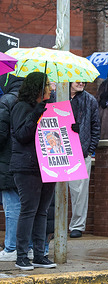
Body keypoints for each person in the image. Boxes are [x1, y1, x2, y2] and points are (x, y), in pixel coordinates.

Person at [10, 72, 56, 270]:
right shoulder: (21, 107)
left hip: (48, 165)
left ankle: (39, 254)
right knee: (29, 211)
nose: (50, 88)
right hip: (27, 167)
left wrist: (72, 129)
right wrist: (36, 114)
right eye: (46, 85)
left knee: (42, 212)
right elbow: (21, 135)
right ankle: (22, 256)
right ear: (37, 88)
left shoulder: (49, 108)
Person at [0, 74, 31, 262]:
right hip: (28, 163)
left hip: (7, 161)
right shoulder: (32, 103)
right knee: (28, 208)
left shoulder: (6, 101)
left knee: (12, 208)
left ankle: (11, 247)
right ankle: (27, 247)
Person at [68, 82, 100, 238]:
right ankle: (51, 226)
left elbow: (96, 127)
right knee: (54, 192)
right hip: (58, 152)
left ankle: (77, 226)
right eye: (77, 79)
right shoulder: (56, 97)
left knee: (79, 192)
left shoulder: (90, 100)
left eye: (83, 80)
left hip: (81, 152)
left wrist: (89, 149)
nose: (81, 82)